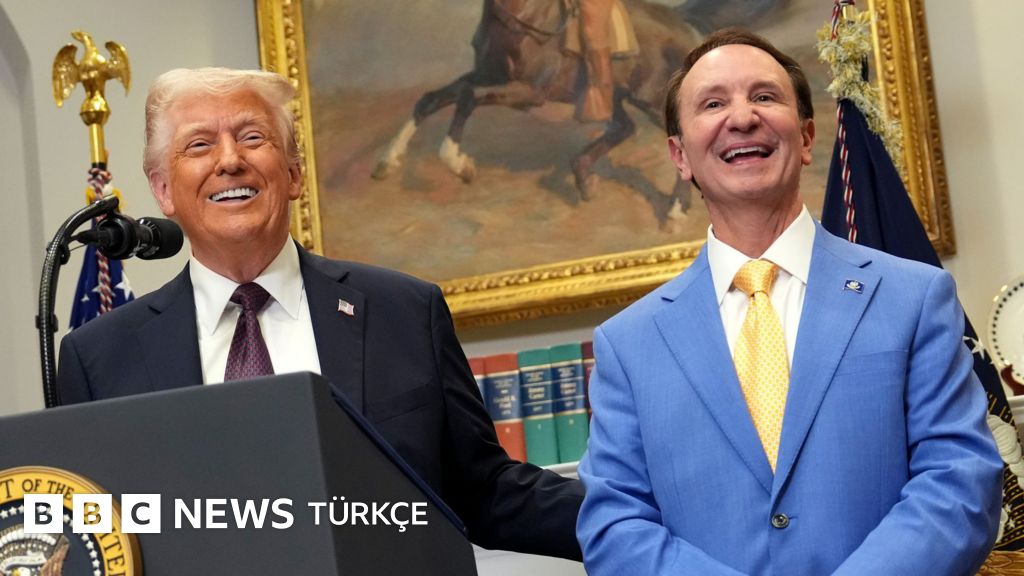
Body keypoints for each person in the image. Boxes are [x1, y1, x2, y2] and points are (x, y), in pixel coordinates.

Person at [57, 67, 583, 560]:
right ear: (163, 190)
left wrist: (625, 516)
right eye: (199, 144)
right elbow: (91, 539)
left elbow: (486, 490)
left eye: (252, 137)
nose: (230, 160)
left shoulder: (403, 313)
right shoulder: (101, 357)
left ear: (293, 174)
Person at [576, 28, 1002, 575]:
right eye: (713, 104)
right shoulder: (628, 345)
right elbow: (615, 526)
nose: (742, 118)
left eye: (764, 96)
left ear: (805, 137)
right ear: (680, 156)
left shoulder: (914, 298)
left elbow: (960, 482)